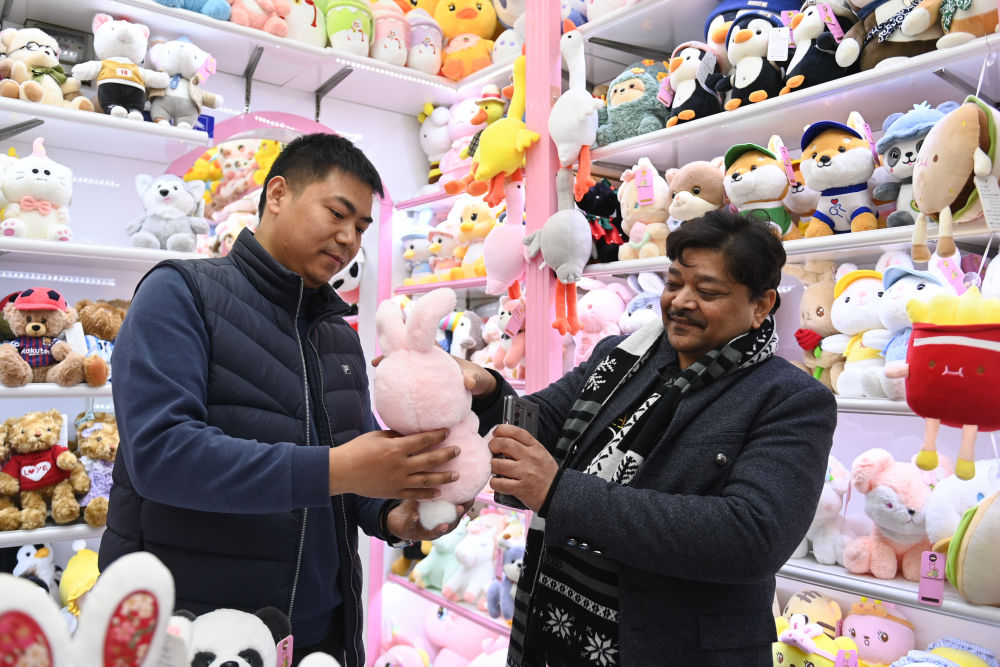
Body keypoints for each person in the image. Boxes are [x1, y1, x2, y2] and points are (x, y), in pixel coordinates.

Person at [101, 134, 468, 666]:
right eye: (337, 214)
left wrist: (393, 514)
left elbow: (352, 466)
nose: (349, 239)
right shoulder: (180, 293)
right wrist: (338, 469)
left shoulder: (338, 335)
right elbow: (161, 454)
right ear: (278, 194)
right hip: (195, 635)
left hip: (319, 638)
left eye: (362, 228)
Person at [459, 209, 838, 665]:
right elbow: (544, 419)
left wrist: (560, 494)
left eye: (707, 292)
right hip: (557, 628)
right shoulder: (620, 358)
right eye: (674, 283)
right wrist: (486, 391)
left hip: (675, 648)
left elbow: (752, 537)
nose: (681, 302)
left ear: (761, 305)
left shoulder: (790, 399)